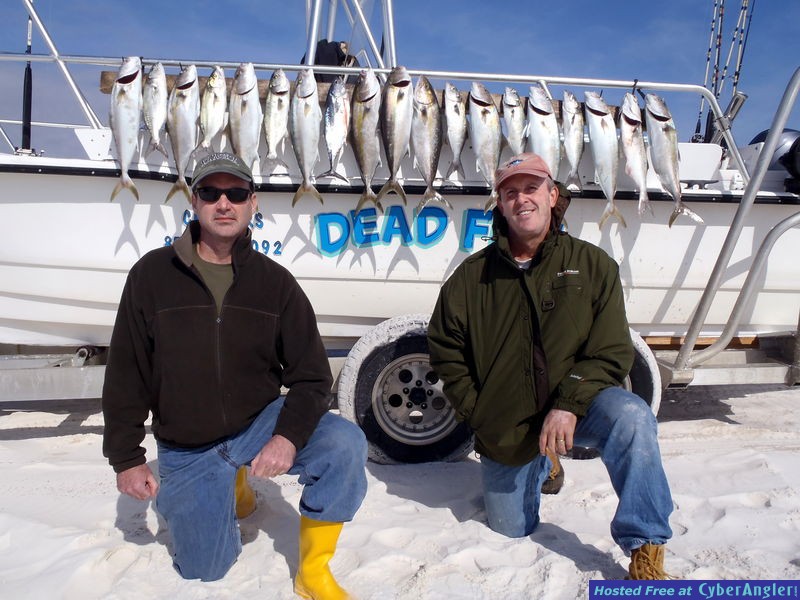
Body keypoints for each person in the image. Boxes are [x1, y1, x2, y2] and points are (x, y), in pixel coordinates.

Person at [102, 151, 368, 597]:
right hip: (189, 449)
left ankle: (313, 571)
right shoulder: (151, 274)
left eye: (236, 193)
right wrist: (126, 458)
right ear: (194, 201)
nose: (223, 203)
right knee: (205, 570)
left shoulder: (276, 283)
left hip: (256, 424)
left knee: (344, 443)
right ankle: (227, 484)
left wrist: (287, 438)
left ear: (252, 203)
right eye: (210, 192)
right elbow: (127, 371)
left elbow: (312, 377)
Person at [427, 153, 674, 579]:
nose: (521, 199)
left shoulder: (594, 266)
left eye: (531, 188)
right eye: (510, 192)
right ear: (500, 205)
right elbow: (446, 350)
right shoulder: (469, 278)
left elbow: (612, 350)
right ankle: (545, 461)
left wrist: (568, 404)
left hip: (580, 407)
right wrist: (478, 411)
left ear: (552, 195)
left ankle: (645, 545)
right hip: (510, 422)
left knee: (632, 418)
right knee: (511, 528)